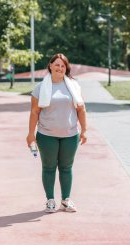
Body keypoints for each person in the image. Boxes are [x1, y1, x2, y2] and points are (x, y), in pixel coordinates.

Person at [26, 53, 87, 213]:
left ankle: (66, 200)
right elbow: (34, 112)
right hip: (46, 136)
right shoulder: (40, 88)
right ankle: (50, 201)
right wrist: (30, 134)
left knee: (66, 167)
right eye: (57, 64)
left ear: (66, 68)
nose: (60, 68)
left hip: (70, 135)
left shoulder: (73, 86)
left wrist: (84, 131)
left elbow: (81, 109)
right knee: (49, 168)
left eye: (63, 65)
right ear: (50, 66)